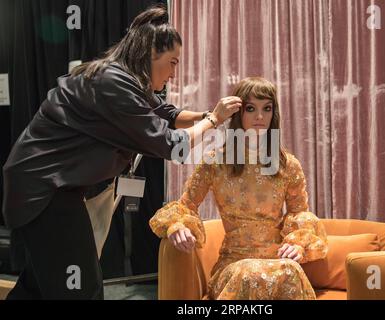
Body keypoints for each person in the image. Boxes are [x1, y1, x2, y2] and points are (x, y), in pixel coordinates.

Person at [2, 6, 241, 299]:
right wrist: (213, 121)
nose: (174, 74)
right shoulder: (113, 83)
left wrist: (208, 113)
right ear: (151, 55)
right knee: (80, 287)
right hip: (45, 190)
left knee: (39, 287)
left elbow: (166, 112)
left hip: (45, 188)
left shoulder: (124, 80)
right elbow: (171, 144)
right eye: (173, 63)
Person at [150, 77, 328, 300]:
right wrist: (176, 225)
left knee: (291, 271)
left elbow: (299, 213)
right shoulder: (216, 162)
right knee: (248, 273)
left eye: (267, 108)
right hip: (233, 267)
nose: (260, 116)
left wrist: (299, 245)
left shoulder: (288, 165)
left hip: (278, 264)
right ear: (238, 114)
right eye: (251, 108)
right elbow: (186, 205)